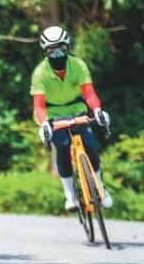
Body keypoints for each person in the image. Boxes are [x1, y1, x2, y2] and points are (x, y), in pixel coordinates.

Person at [31, 26, 112, 212]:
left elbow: (89, 93)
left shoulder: (78, 65)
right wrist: (44, 123)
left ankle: (100, 188)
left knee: (89, 143)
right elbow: (39, 104)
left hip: (78, 111)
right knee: (63, 145)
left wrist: (97, 109)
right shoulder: (40, 73)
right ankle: (70, 195)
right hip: (52, 115)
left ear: (68, 47)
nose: (57, 53)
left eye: (61, 48)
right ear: (45, 52)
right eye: (52, 50)